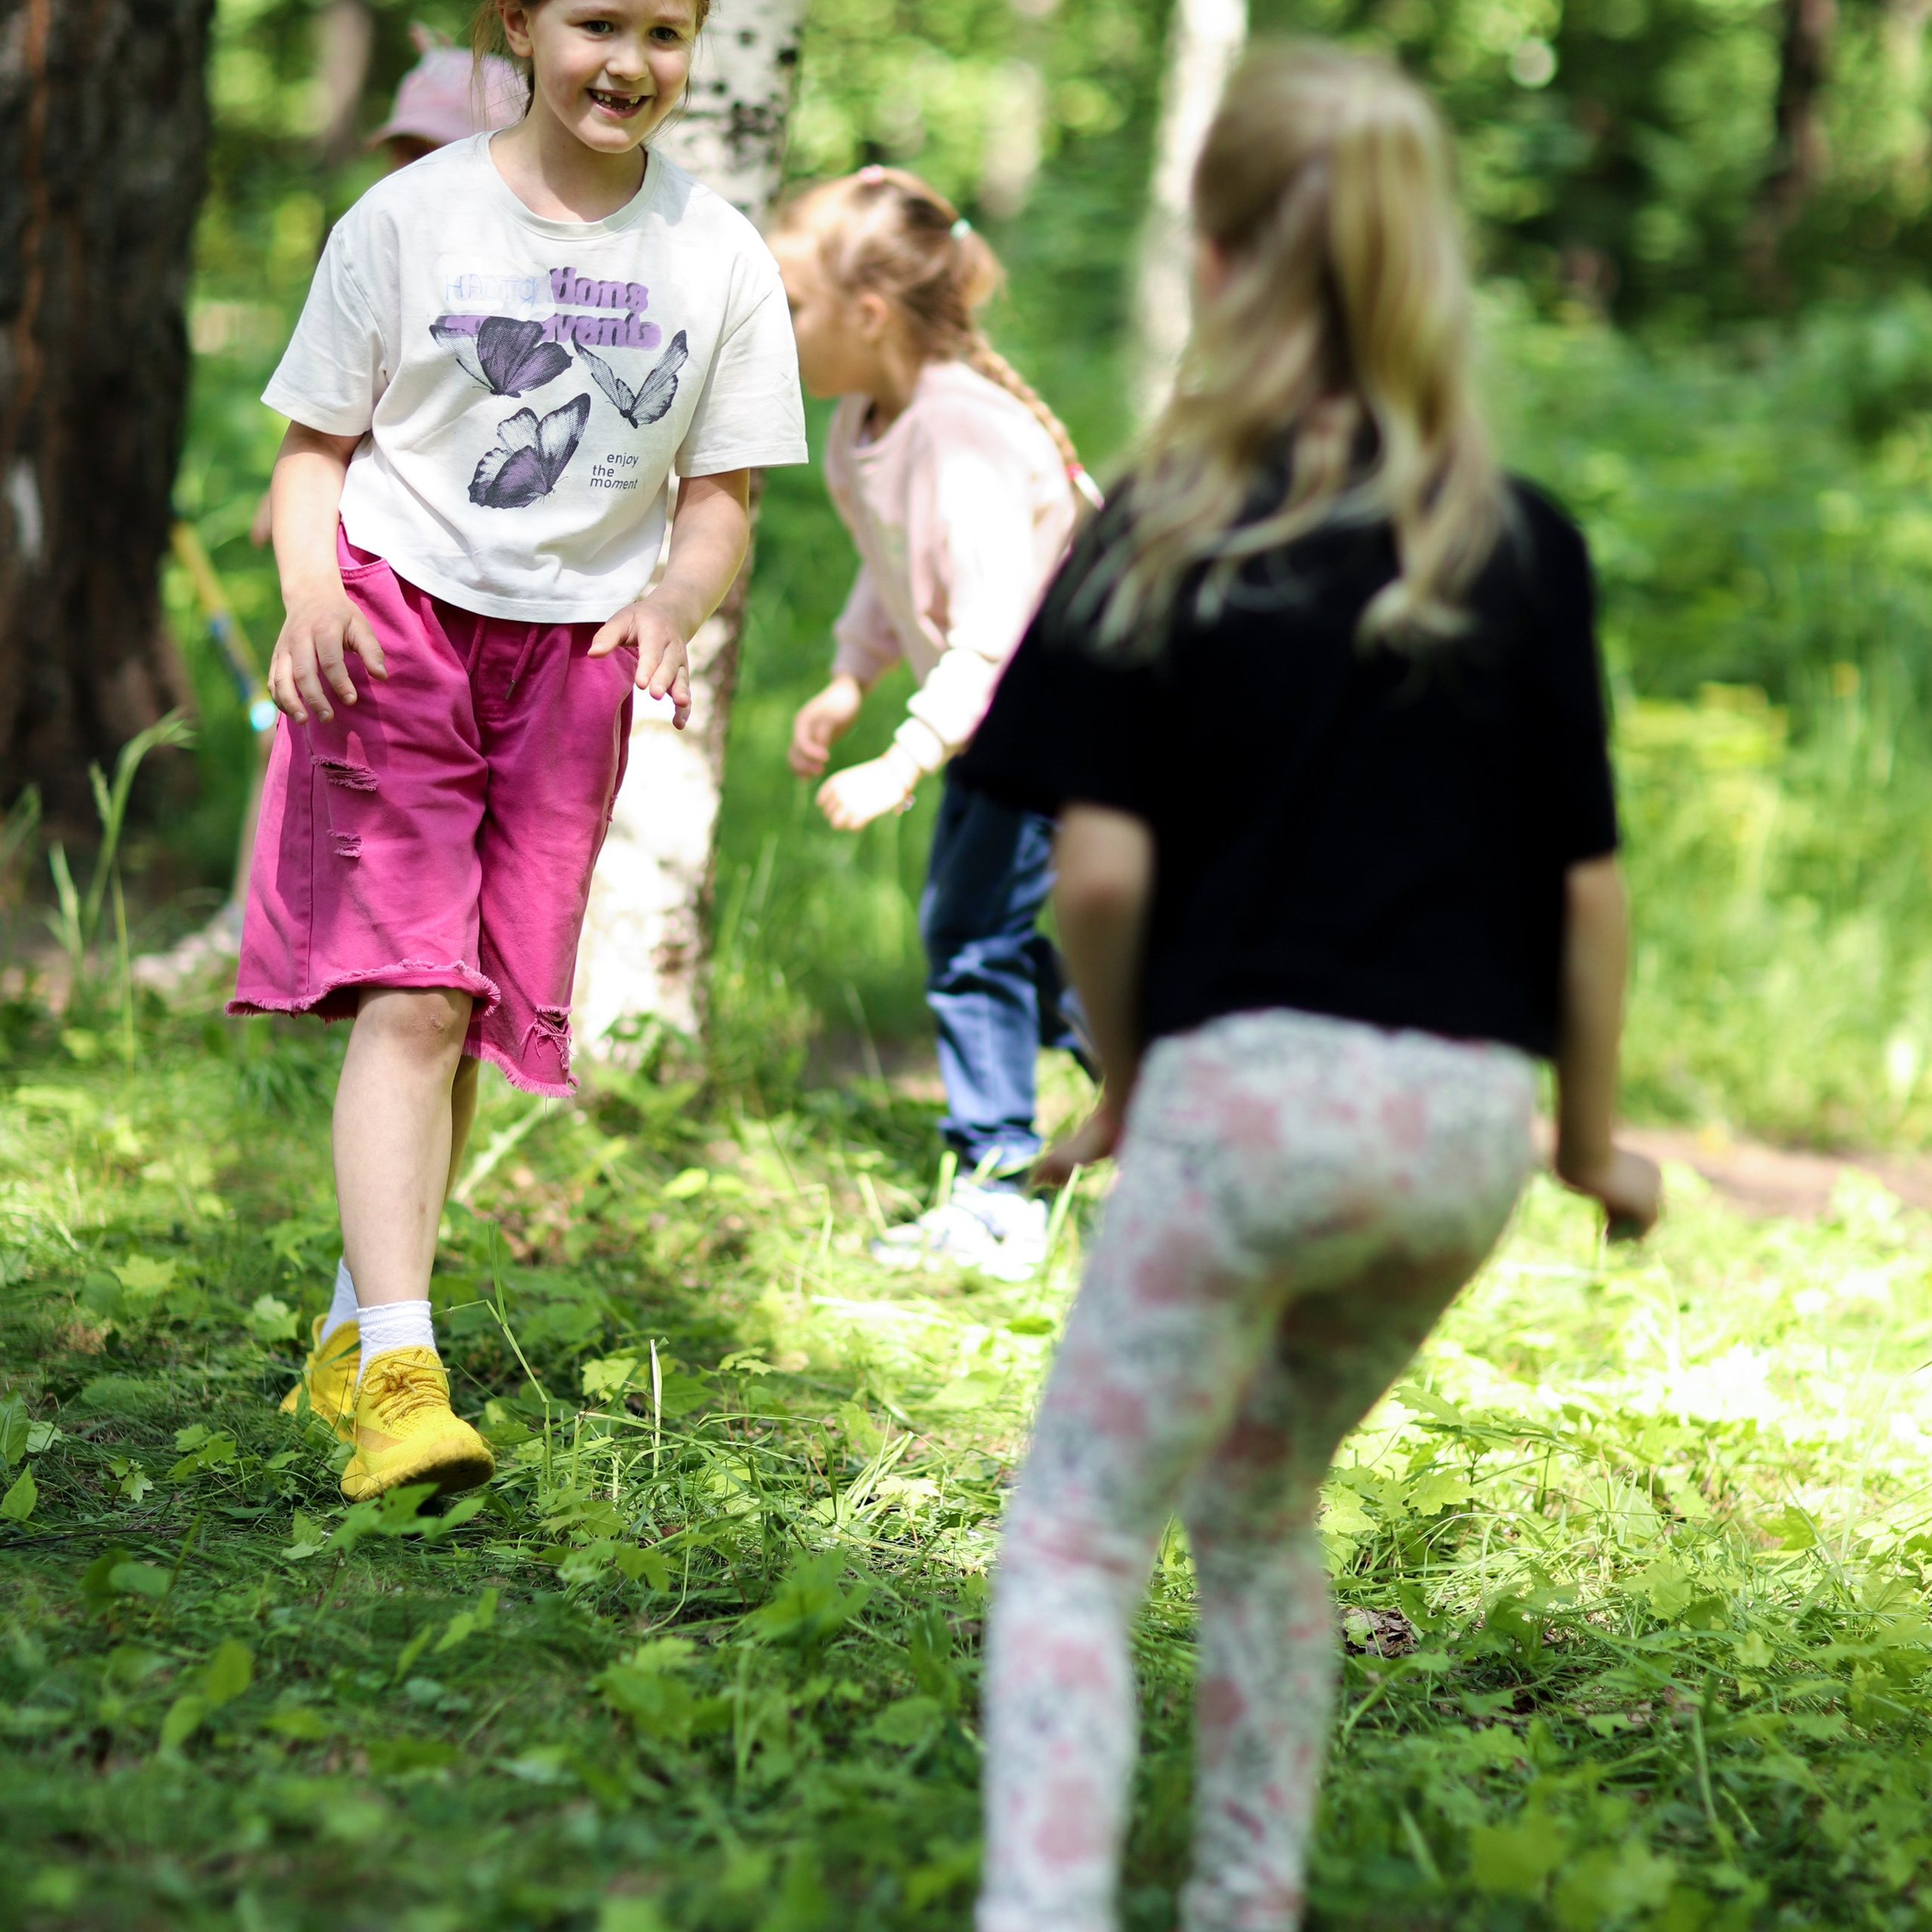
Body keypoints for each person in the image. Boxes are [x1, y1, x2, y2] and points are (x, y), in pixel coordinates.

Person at [957, 43, 1663, 1932]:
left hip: (1242, 1101)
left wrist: (1125, 1072)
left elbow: (1093, 874)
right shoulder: (1513, 542)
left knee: (1078, 1538)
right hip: (1454, 1137)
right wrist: (1588, 1142)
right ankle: (1240, 1903)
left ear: (1211, 245)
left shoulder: (1167, 523)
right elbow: (1585, 902)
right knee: (1259, 1498)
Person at [238, 0, 806, 1502]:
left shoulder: (718, 256)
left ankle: (358, 1330)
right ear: (518, 25)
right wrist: (310, 593)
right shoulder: (410, 218)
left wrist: (675, 601)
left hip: (572, 659)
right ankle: (406, 1385)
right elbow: (311, 450)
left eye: (666, 32)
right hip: (397, 622)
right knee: (415, 994)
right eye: (595, 23)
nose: (629, 62)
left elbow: (724, 494)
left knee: (468, 1004)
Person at [139, 27, 528, 995]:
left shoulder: (529, 278)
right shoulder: (382, 236)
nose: (406, 172)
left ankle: (473, 965)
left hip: (507, 602)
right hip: (362, 579)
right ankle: (260, 923)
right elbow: (336, 412)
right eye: (399, 151)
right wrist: (307, 510)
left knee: (511, 807)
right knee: (307, 739)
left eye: (428, 152)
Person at [772, 166, 1101, 1282]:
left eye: (794, 307)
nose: (779, 329)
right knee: (983, 935)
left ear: (868, 315)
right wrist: (848, 679)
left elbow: (993, 629)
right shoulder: (870, 420)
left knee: (969, 937)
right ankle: (1186, 1082)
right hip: (1004, 724)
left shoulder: (963, 432)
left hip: (1067, 722)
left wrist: (904, 757)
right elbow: (894, 568)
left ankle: (1001, 1193)